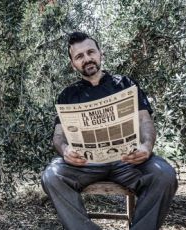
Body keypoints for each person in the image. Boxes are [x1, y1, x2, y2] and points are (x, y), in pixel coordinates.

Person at [41, 32, 177, 230]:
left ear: (100, 54)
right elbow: (58, 135)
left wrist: (146, 147)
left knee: (164, 174)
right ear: (73, 64)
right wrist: (65, 150)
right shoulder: (67, 95)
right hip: (86, 164)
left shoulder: (125, 84)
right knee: (51, 176)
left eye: (90, 52)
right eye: (79, 56)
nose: (87, 58)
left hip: (128, 161)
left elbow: (144, 120)